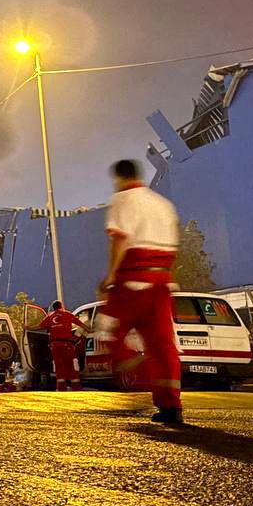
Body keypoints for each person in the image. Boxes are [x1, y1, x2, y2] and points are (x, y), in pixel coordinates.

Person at [96, 159, 184, 425]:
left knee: (107, 330)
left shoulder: (122, 199)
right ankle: (171, 406)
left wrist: (111, 276)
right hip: (161, 282)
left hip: (132, 278)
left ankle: (135, 366)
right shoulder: (163, 204)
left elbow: (120, 238)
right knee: (162, 344)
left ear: (120, 178)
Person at [35, 300, 90, 390]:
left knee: (59, 365)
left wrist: (27, 327)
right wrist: (89, 330)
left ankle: (61, 386)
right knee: (71, 364)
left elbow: (39, 326)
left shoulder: (50, 316)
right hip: (67, 344)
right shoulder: (67, 314)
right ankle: (75, 385)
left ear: (53, 308)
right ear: (62, 306)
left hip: (55, 345)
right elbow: (80, 324)